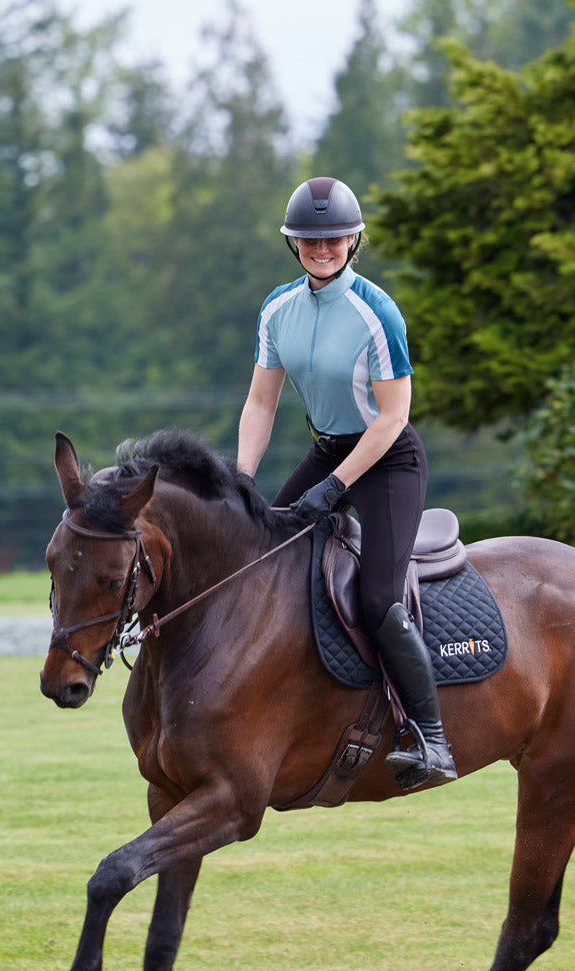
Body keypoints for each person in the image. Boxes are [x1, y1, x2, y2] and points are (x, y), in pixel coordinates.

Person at [236, 176, 457, 791]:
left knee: (377, 599)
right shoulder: (277, 308)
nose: (322, 247)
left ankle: (433, 740)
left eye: (334, 238)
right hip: (328, 449)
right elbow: (260, 403)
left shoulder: (377, 311)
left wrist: (335, 486)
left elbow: (392, 419)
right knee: (261, 560)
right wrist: (242, 479)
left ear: (355, 239)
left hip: (387, 461)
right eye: (309, 239)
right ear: (294, 244)